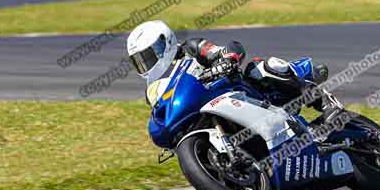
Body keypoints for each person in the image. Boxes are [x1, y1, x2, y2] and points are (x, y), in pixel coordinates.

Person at [126, 20, 343, 125]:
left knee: (260, 68)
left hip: (244, 92)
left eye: (149, 55)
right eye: (140, 61)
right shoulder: (152, 90)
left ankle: (324, 101)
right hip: (209, 113)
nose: (146, 63)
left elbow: (228, 48)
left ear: (166, 41)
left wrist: (226, 60)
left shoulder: (191, 48)